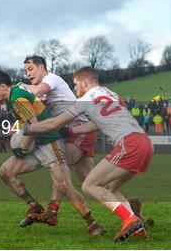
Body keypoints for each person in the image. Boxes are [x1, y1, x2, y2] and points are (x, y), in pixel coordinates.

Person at [24, 67, 152, 242]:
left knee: (89, 186)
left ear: (84, 83)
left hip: (127, 144)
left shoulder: (84, 100)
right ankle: (137, 225)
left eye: (76, 85)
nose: (75, 89)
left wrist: (29, 128)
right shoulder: (111, 94)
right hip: (144, 142)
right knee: (109, 187)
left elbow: (55, 123)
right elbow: (95, 124)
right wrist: (71, 131)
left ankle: (130, 219)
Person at [0, 71, 105, 236]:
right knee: (5, 172)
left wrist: (23, 147)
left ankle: (93, 224)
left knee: (63, 185)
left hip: (50, 143)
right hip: (37, 144)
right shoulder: (17, 92)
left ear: (3, 86)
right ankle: (34, 206)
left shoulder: (16, 99)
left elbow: (33, 125)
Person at [21, 55, 110, 229]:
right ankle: (131, 208)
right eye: (25, 71)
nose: (28, 74)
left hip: (79, 131)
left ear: (42, 68)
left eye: (30, 69)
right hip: (78, 132)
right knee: (91, 183)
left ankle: (52, 212)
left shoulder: (51, 79)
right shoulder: (46, 89)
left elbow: (37, 92)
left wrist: (18, 87)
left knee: (59, 169)